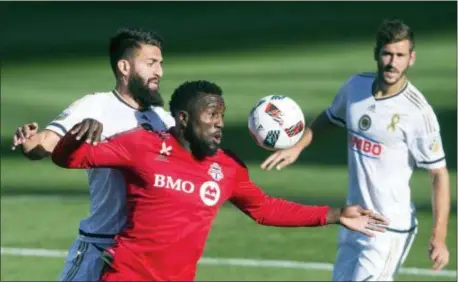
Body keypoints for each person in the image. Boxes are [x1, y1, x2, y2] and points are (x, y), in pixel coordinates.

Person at [51, 80, 389, 281]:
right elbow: (69, 159)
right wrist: (76, 138)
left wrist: (335, 215)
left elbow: (263, 208)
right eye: (211, 115)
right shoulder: (140, 145)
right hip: (125, 275)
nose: (219, 124)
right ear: (182, 118)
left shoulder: (227, 167)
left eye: (222, 116)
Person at [261, 19, 450, 281]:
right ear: (376, 54)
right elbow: (330, 117)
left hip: (388, 228)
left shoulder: (418, 112)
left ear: (411, 58)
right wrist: (298, 147)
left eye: (400, 55)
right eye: (387, 53)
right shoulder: (356, 87)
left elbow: (439, 175)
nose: (392, 63)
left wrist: (438, 237)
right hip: (353, 219)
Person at [11, 28, 175, 281]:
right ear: (124, 66)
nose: (159, 72)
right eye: (151, 63)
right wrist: (29, 141)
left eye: (161, 64)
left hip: (145, 252)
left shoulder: (164, 120)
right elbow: (42, 145)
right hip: (99, 247)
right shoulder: (95, 106)